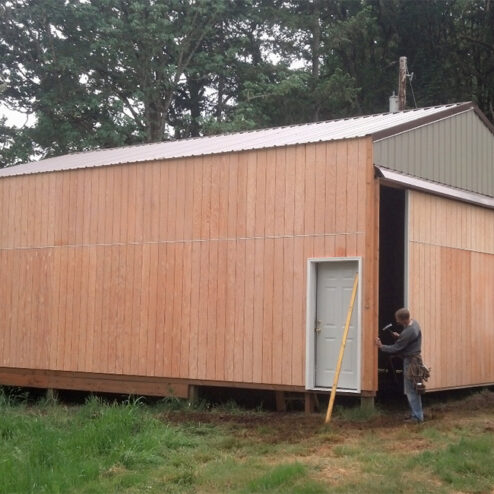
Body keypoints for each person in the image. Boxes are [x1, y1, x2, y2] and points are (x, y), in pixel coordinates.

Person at [375, 308, 424, 423]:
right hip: (416, 360)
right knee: (415, 388)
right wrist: (400, 336)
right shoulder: (414, 324)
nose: (397, 322)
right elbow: (407, 339)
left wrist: (381, 346)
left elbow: (396, 348)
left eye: (398, 320)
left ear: (403, 320)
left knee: (411, 390)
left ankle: (417, 417)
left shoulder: (408, 332)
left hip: (411, 362)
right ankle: (416, 414)